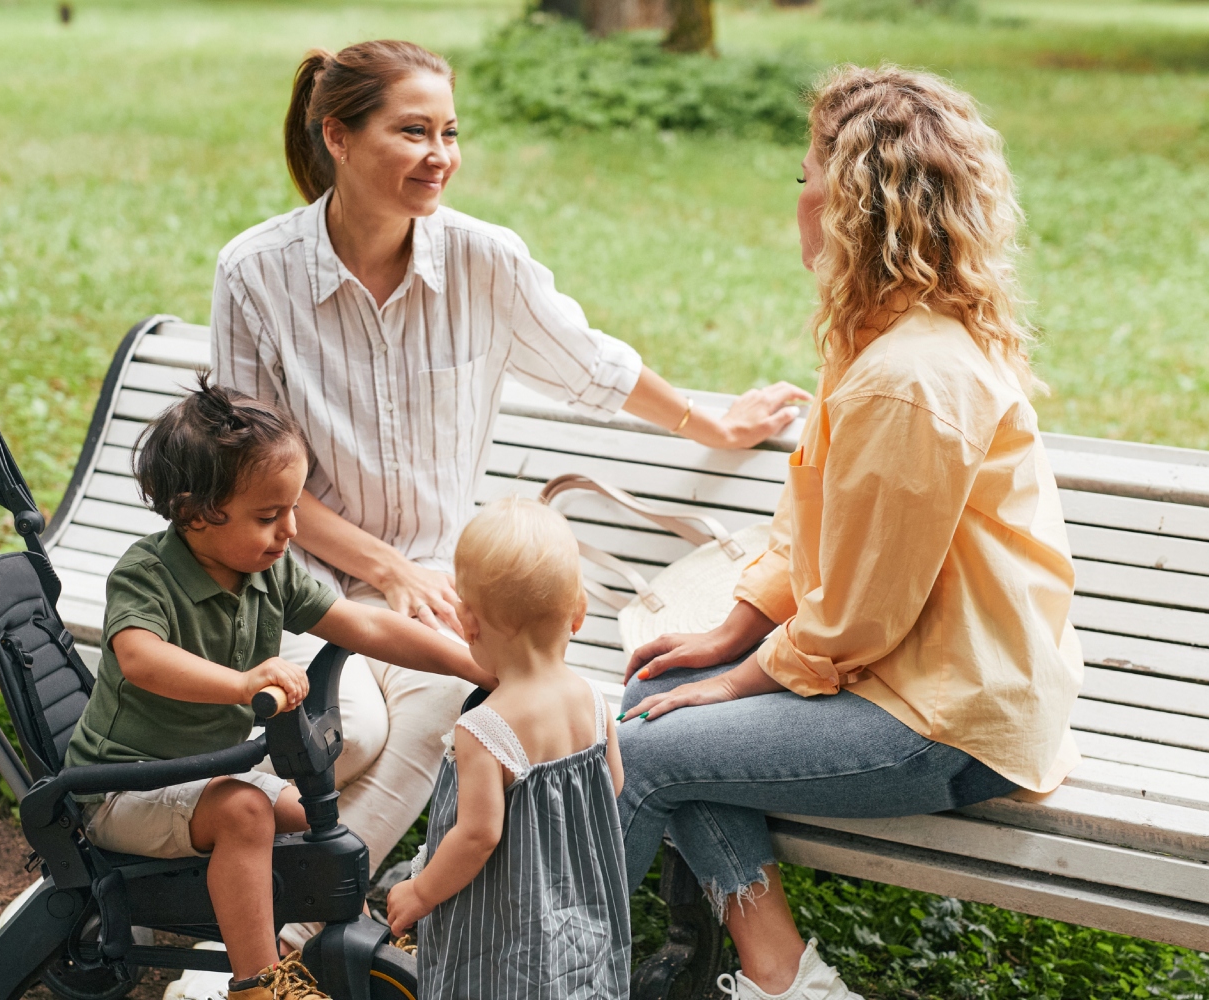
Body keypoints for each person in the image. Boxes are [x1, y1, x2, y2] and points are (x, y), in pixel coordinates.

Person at [209, 37, 811, 937]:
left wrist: (715, 424)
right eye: (412, 131)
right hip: (298, 575)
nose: (440, 156)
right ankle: (234, 893)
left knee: (440, 712)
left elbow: (593, 365)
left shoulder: (483, 260)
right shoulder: (256, 272)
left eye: (449, 132)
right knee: (351, 736)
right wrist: (390, 571)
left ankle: (285, 940)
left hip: (440, 585)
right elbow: (253, 479)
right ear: (337, 135)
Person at [615, 66, 1086, 1000]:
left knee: (639, 751)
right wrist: (730, 635)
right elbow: (808, 526)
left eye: (807, 178)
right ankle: (787, 982)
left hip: (945, 722)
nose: (797, 199)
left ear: (854, 206)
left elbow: (859, 616)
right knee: (655, 696)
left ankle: (548, 970)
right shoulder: (873, 340)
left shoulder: (910, 377)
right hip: (904, 680)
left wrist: (739, 681)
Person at [61, 380, 485, 1000]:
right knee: (247, 812)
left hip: (197, 776)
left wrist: (476, 666)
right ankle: (259, 982)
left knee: (310, 816)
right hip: (123, 787)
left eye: (292, 510)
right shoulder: (147, 574)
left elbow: (366, 625)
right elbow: (139, 658)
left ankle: (343, 932)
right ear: (195, 511)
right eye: (268, 516)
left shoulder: (267, 570)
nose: (290, 530)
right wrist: (241, 684)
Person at [384, 497, 629, 1000]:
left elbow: (478, 836)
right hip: (580, 907)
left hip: (507, 926)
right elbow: (614, 785)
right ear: (579, 612)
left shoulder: (484, 728)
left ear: (467, 622)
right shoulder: (592, 699)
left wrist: (420, 892)